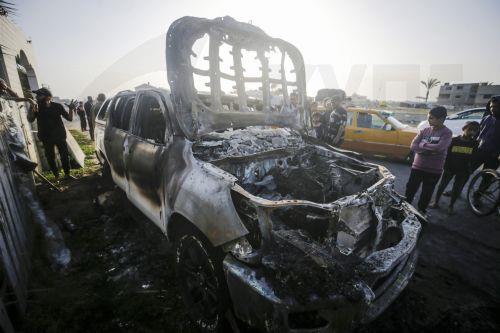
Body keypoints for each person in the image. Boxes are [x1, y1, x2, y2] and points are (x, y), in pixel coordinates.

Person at [405, 106, 452, 215]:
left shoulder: (447, 133)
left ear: (441, 119)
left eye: (431, 118)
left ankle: (421, 211)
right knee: (410, 190)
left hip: (434, 170)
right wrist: (427, 149)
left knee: (427, 192)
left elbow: (440, 148)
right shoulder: (424, 131)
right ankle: (405, 208)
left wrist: (422, 144)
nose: (428, 120)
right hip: (417, 167)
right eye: (428, 117)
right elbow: (413, 146)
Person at [429, 121, 480, 215]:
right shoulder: (454, 140)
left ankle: (451, 206)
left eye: (474, 130)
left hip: (463, 171)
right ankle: (436, 202)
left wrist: (469, 169)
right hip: (449, 168)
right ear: (464, 129)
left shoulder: (474, 144)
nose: (472, 132)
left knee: (456, 189)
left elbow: (474, 158)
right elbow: (446, 155)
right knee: (442, 185)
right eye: (470, 129)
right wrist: (446, 166)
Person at [27, 88, 76, 180]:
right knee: (50, 157)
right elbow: (30, 119)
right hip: (46, 137)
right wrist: (32, 108)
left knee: (64, 156)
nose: (37, 97)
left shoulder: (57, 106)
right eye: (36, 95)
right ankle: (56, 176)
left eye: (39, 95)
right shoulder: (36, 107)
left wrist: (71, 109)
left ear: (48, 97)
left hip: (60, 135)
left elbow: (69, 119)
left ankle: (67, 174)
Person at [471, 96, 500, 203]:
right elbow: (478, 134)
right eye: (492, 106)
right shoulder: (486, 118)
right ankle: (456, 190)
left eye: (496, 107)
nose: (493, 109)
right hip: (479, 151)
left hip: (494, 156)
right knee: (466, 171)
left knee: (487, 178)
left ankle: (477, 197)